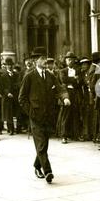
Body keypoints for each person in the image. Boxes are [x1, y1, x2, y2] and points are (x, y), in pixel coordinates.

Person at [18, 47, 70, 184]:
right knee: (41, 144)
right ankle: (48, 171)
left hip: (48, 115)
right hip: (35, 116)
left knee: (44, 145)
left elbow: (60, 88)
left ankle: (36, 166)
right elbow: (21, 98)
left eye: (45, 57)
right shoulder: (29, 76)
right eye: (42, 58)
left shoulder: (50, 75)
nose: (44, 60)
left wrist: (65, 97)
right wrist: (31, 112)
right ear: (35, 60)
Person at [57, 52, 83, 144]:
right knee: (65, 114)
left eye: (71, 59)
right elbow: (63, 80)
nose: (70, 61)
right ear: (66, 61)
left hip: (75, 93)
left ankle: (75, 134)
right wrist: (74, 79)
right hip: (66, 94)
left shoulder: (77, 70)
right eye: (68, 59)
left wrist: (73, 80)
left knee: (75, 113)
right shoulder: (62, 71)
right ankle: (64, 136)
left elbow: (79, 82)